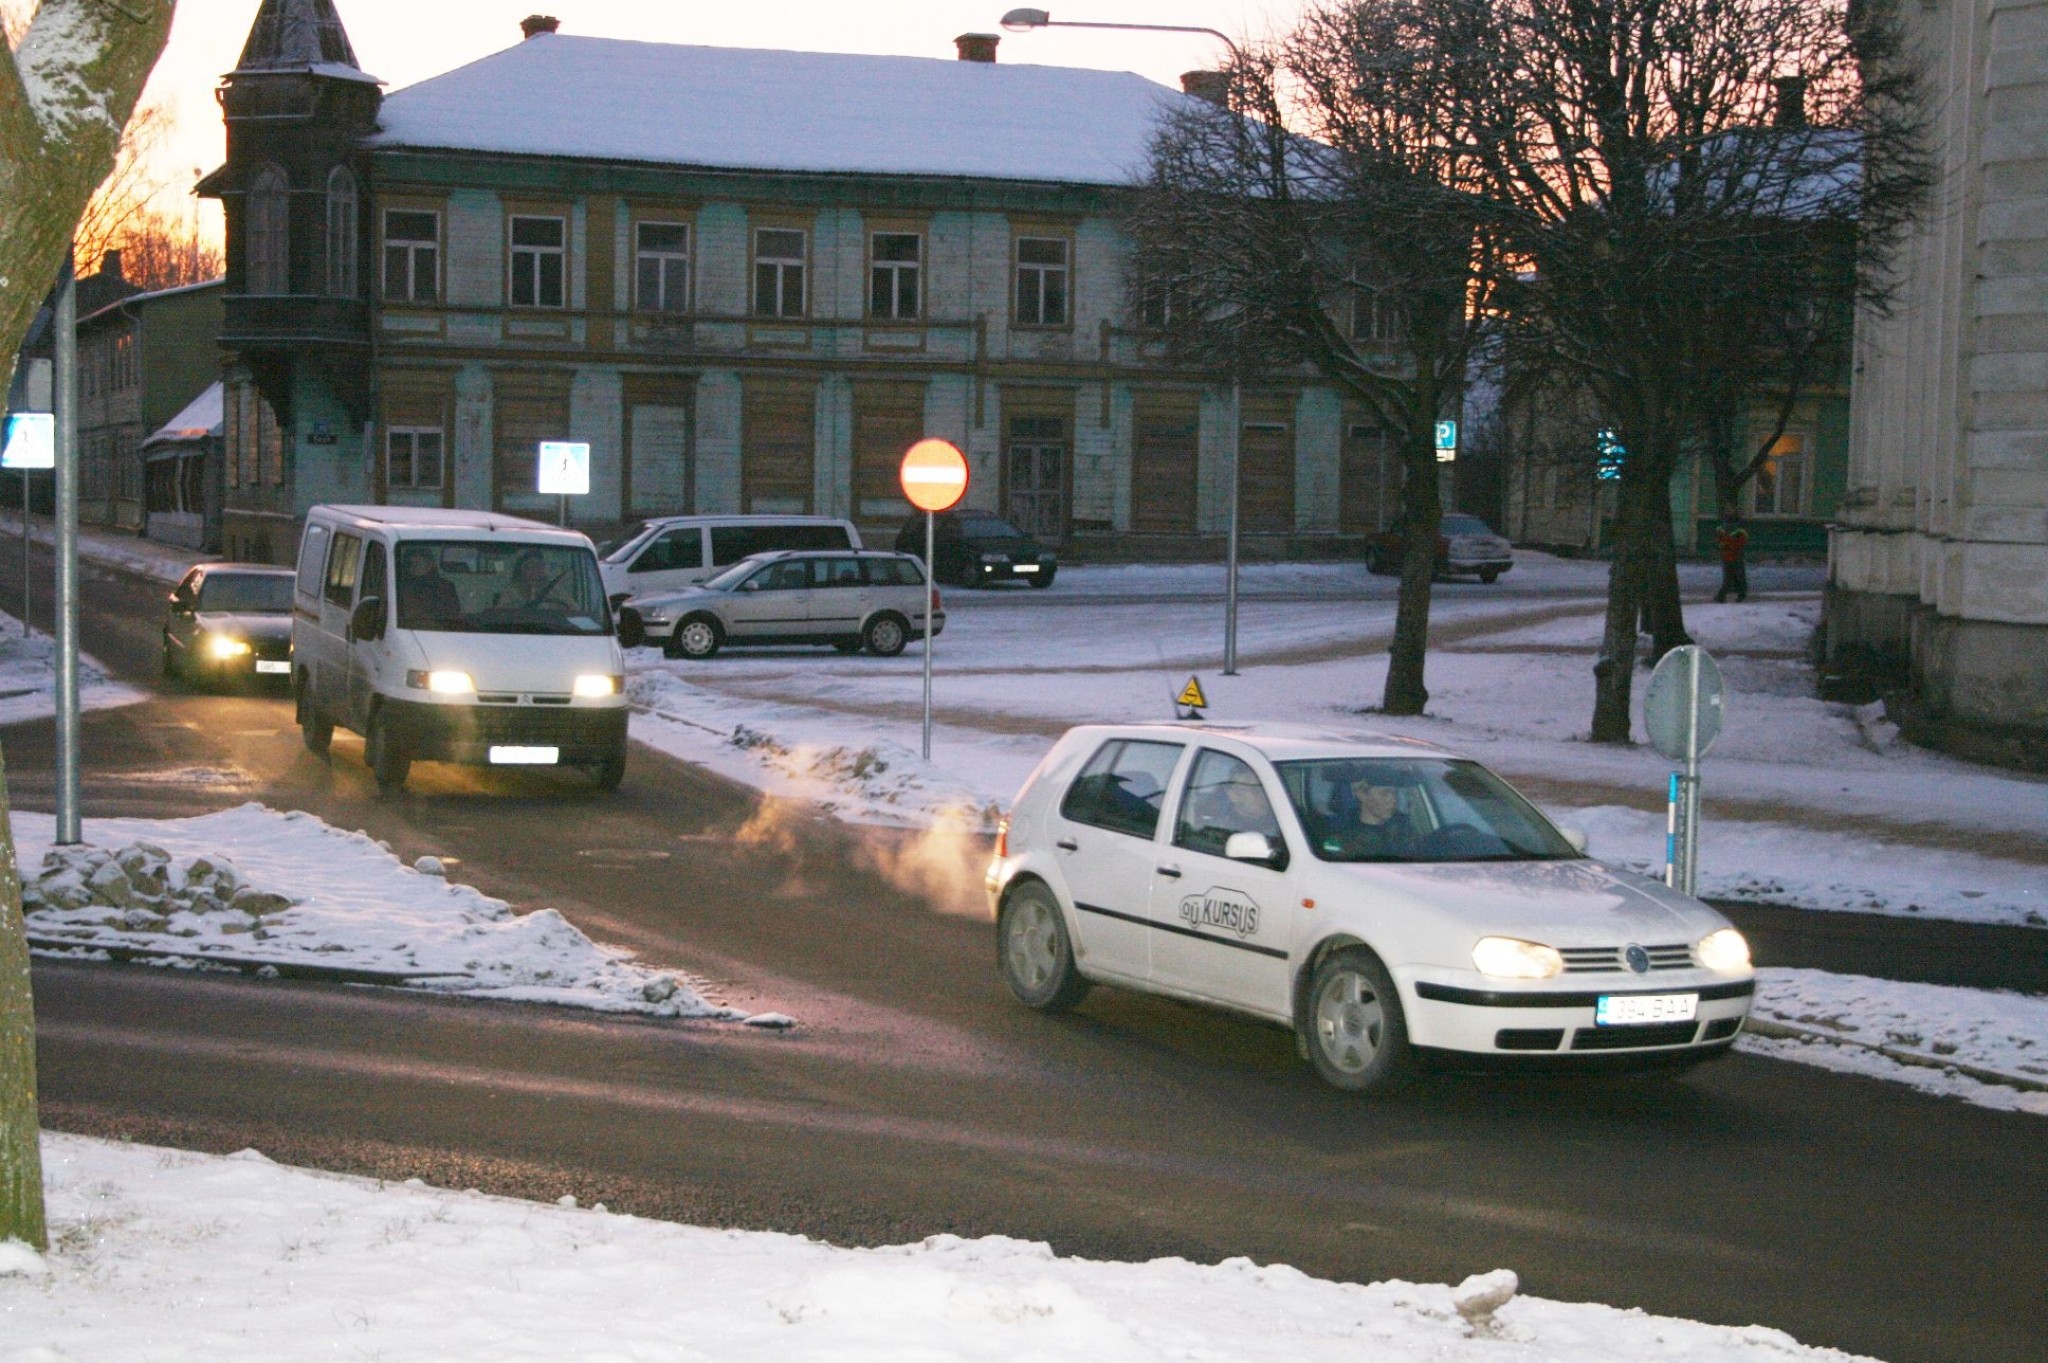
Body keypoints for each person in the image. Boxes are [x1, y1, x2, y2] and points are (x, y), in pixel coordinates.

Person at [1326, 775, 1418, 859]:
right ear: (1362, 795)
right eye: (1385, 793)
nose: (1394, 799)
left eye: (1394, 793)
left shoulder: (1404, 829)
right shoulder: (1342, 836)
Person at [398, 546, 462, 626]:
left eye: (418, 562)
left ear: (431, 563)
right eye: (411, 563)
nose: (414, 566)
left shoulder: (445, 587)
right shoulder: (400, 587)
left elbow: (452, 615)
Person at [497, 550, 568, 610]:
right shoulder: (512, 592)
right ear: (521, 571)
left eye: (538, 566)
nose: (534, 570)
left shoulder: (556, 591)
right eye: (528, 567)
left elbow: (574, 611)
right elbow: (500, 614)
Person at [1715, 518, 1750, 604]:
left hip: (1728, 557)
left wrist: (1724, 548)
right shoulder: (1740, 533)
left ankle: (1721, 596)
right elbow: (1740, 545)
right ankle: (1740, 594)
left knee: (1728, 578)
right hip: (1736, 557)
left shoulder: (1722, 532)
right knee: (1738, 577)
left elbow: (1721, 544)